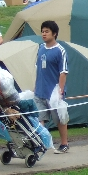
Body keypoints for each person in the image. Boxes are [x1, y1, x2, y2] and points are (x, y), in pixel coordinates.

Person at [34, 20, 70, 154]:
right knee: (40, 119)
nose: (44, 34)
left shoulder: (60, 50)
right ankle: (40, 143)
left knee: (59, 119)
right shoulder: (40, 48)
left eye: (47, 31)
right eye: (42, 31)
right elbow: (38, 70)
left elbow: (63, 72)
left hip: (53, 92)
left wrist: (60, 91)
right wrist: (35, 87)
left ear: (54, 34)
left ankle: (64, 143)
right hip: (40, 91)